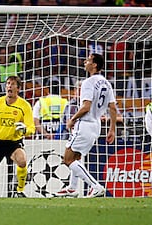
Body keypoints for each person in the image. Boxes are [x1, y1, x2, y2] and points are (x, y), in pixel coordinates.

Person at [55, 53, 117, 198]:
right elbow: (113, 108)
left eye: (88, 60)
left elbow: (86, 107)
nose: (85, 62)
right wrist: (112, 129)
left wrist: (72, 119)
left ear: (94, 65)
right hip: (96, 126)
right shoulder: (107, 83)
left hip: (85, 124)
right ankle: (72, 188)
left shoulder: (88, 83)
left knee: (68, 159)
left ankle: (95, 186)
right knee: (76, 157)